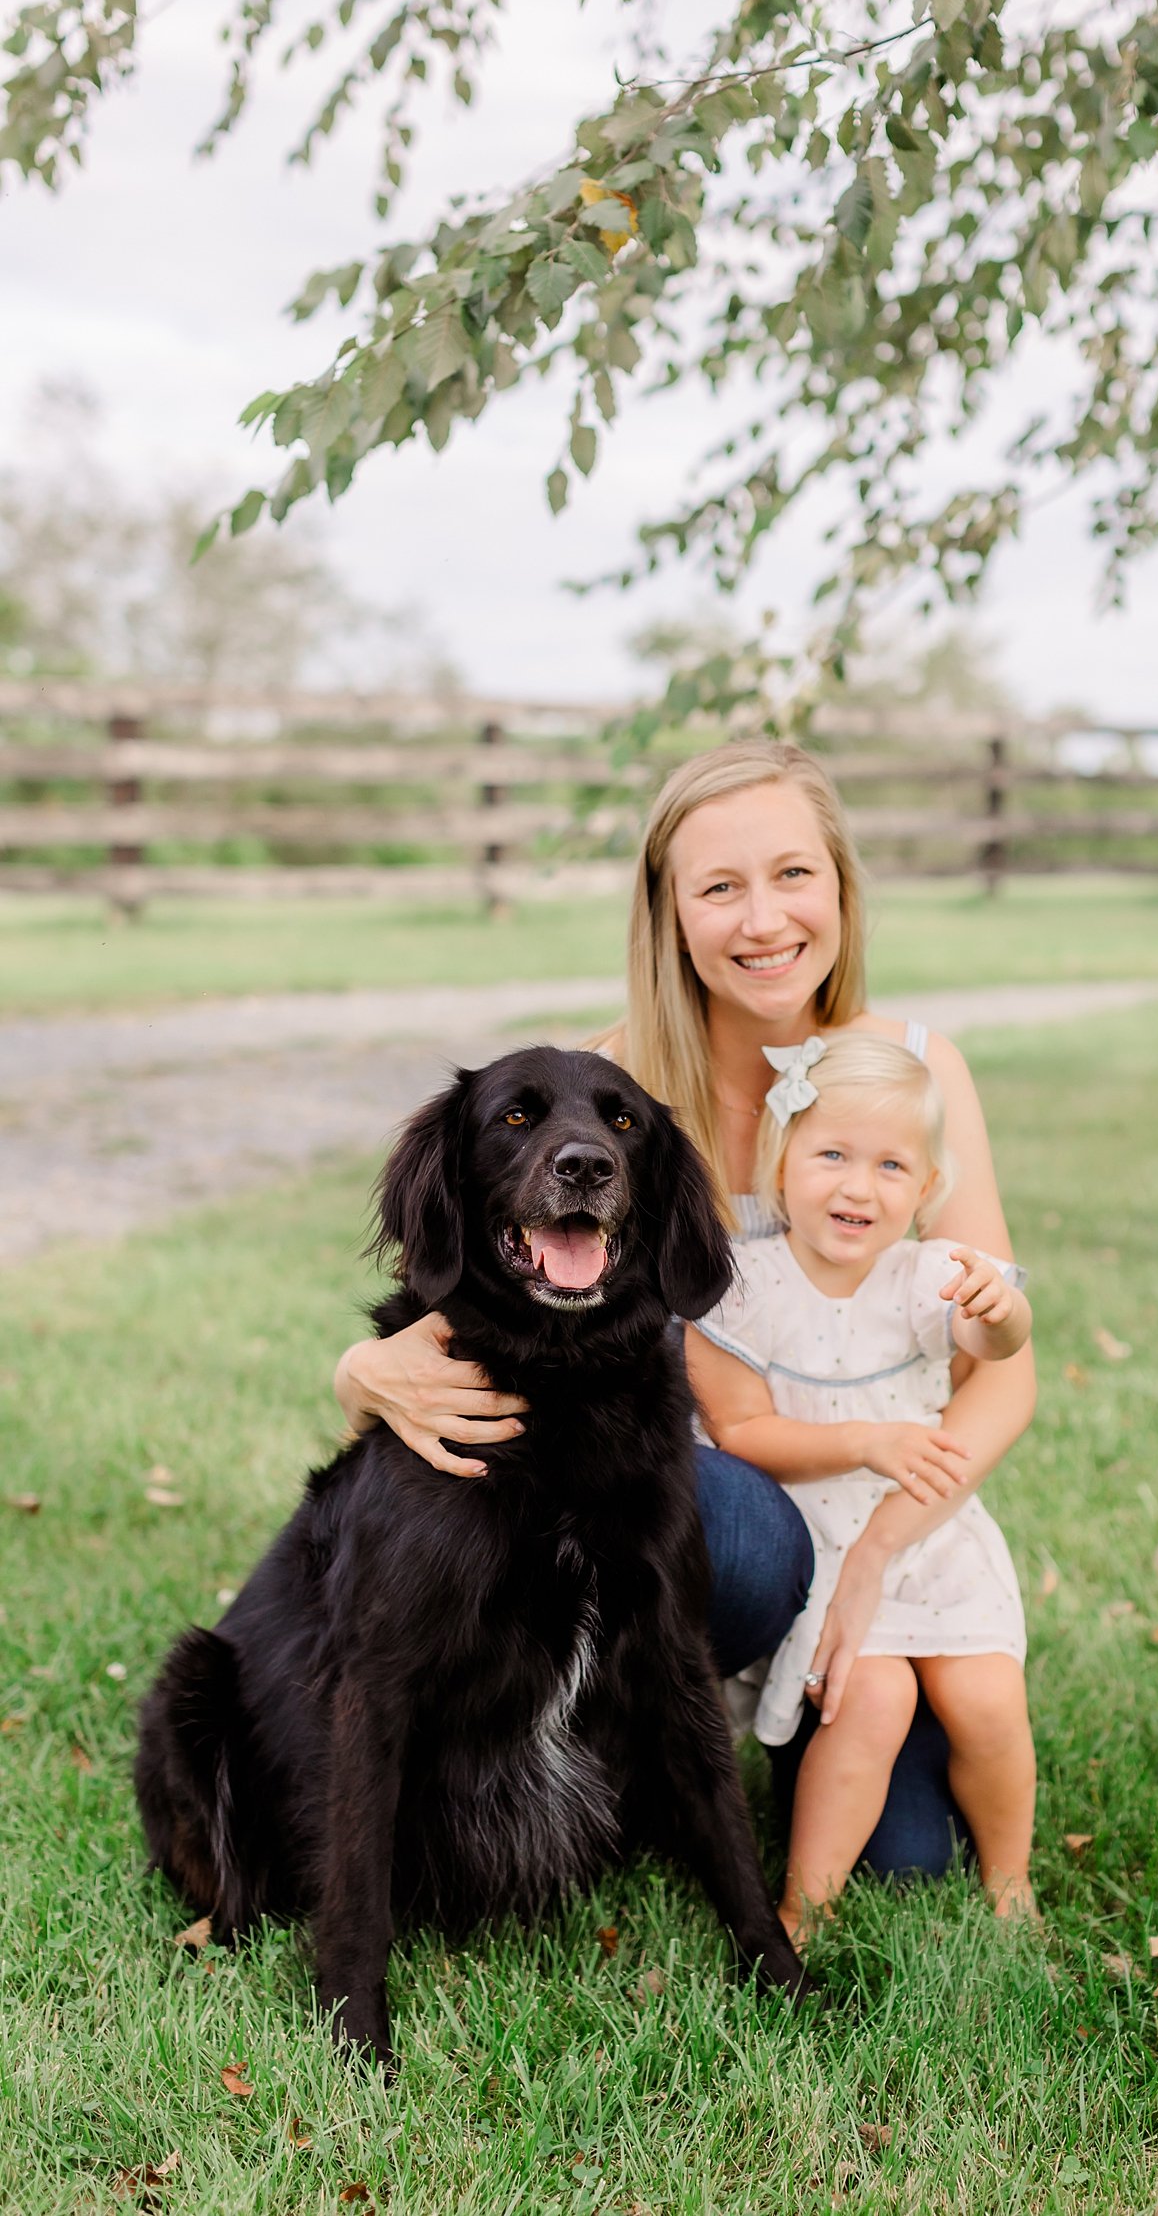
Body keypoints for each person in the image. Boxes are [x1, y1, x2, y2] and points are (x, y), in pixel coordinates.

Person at [332, 740, 1037, 1874]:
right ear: (670, 913)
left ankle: (770, 1727)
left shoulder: (916, 1072)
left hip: (875, 1531)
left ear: (842, 887)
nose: (764, 919)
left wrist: (877, 1559)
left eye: (794, 875)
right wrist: (357, 1374)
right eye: (720, 887)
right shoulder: (608, 1093)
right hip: (695, 1523)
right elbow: (461, 1285)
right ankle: (614, 1734)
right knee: (745, 1525)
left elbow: (1002, 1366)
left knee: (913, 1857)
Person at [684, 1030, 1036, 1939]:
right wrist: (864, 1439)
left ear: (924, 1192)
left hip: (924, 1536)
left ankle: (1010, 1883)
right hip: (820, 1542)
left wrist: (1003, 1317)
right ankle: (803, 1906)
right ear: (781, 1159)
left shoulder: (925, 1279)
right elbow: (739, 1433)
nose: (856, 1186)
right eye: (832, 1155)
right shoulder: (742, 1286)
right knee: (867, 1701)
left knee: (988, 1696)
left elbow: (995, 1348)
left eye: (890, 1166)